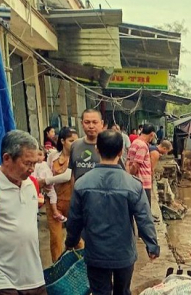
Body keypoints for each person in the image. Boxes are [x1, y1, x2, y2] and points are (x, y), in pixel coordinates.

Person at [65, 130, 159, 295]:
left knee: (100, 292)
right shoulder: (133, 184)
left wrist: (71, 242)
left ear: (97, 150)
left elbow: (74, 219)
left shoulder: (81, 183)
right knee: (122, 291)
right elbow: (144, 218)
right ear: (121, 152)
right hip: (123, 253)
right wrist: (152, 245)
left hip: (95, 252)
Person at [0, 130, 47, 295]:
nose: (31, 169)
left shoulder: (32, 184)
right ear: (7, 158)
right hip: (1, 273)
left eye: (34, 163)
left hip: (33, 273)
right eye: (27, 163)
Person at [39, 127, 83, 262]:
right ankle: (57, 267)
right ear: (62, 141)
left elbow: (67, 176)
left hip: (72, 202)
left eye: (76, 141)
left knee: (77, 239)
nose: (74, 144)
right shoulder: (52, 156)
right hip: (53, 202)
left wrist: (45, 181)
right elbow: (46, 170)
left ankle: (81, 267)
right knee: (56, 240)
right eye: (71, 141)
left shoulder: (80, 157)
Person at [69, 109, 104, 182]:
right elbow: (72, 174)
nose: (91, 126)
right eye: (87, 122)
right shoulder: (75, 145)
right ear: (82, 123)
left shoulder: (109, 145)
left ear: (101, 123)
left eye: (95, 122)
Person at [33, 146, 66, 223]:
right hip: (41, 184)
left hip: (50, 183)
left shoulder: (45, 164)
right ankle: (53, 212)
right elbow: (33, 176)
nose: (39, 157)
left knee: (53, 196)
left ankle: (55, 212)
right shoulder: (35, 165)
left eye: (40, 155)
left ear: (44, 156)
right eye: (37, 154)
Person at [126, 124, 156, 208]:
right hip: (143, 183)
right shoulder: (143, 146)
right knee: (145, 211)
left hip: (135, 182)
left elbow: (128, 161)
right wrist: (132, 174)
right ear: (152, 134)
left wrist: (129, 177)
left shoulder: (135, 142)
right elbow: (136, 165)